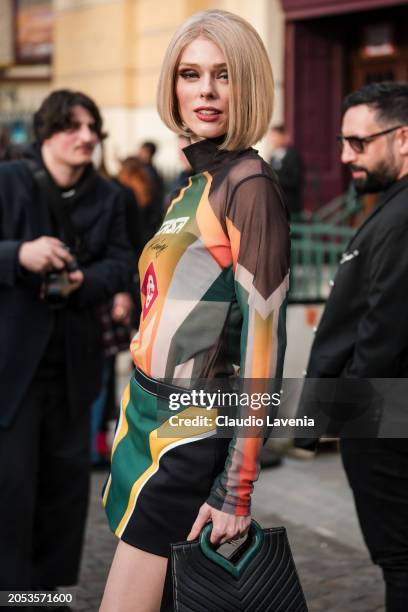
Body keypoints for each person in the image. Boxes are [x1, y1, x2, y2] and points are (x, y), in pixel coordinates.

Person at [101, 9, 290, 612]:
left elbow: (265, 344)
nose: (205, 90)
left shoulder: (248, 183)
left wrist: (237, 486)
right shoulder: (190, 186)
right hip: (146, 418)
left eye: (224, 75)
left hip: (191, 428)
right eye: (190, 73)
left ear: (250, 85)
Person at [0, 89, 131, 591]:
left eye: (93, 128)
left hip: (77, 368)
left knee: (65, 493)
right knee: (12, 492)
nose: (87, 137)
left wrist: (85, 282)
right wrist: (19, 254)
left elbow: (123, 262)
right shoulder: (9, 181)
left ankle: (45, 598)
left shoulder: (110, 195)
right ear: (47, 133)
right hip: (12, 370)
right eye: (74, 127)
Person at [300, 81, 408, 612]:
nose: (345, 157)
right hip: (384, 421)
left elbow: (383, 335)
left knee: (402, 564)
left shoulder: (403, 215)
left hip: (389, 426)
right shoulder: (391, 209)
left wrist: (351, 414)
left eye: (358, 143)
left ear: (403, 138)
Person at [269, 125, 303, 219]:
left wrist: (275, 179)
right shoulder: (272, 156)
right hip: (276, 204)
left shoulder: (293, 156)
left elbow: (296, 180)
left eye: (275, 136)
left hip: (290, 204)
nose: (273, 140)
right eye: (272, 137)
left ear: (283, 136)